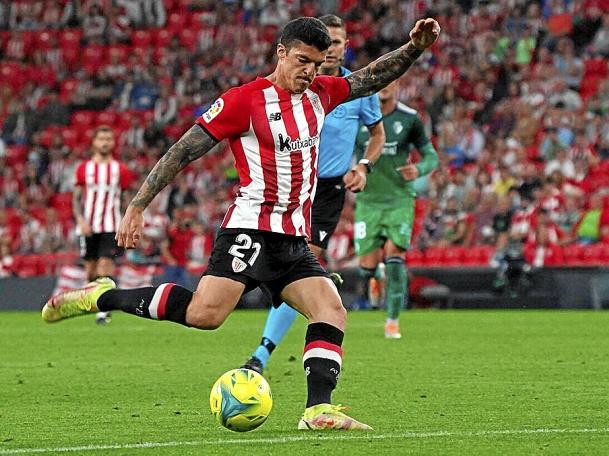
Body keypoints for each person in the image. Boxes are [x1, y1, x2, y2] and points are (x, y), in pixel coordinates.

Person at [41, 16, 441, 431]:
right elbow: (183, 151)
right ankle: (103, 296)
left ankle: (318, 410)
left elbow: (372, 77)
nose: (310, 71)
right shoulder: (243, 101)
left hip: (292, 238)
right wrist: (138, 205)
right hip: (249, 229)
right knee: (206, 315)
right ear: (281, 53)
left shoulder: (323, 93)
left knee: (331, 309)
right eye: (302, 60)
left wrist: (414, 48)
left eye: (318, 63)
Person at [241, 14, 385, 375]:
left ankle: (262, 353)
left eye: (338, 42)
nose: (333, 48)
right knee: (288, 268)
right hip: (284, 188)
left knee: (303, 262)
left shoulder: (355, 90)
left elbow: (377, 136)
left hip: (325, 192)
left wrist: (363, 165)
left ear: (345, 46)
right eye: (328, 42)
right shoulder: (295, 85)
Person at [353, 79, 439, 339]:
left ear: (399, 85)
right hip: (368, 201)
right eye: (380, 82)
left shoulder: (410, 119)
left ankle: (392, 320)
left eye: (391, 82)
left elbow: (431, 156)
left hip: (399, 199)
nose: (385, 87)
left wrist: (419, 169)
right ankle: (374, 276)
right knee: (365, 267)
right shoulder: (357, 119)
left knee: (395, 258)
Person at [72, 126, 133, 324]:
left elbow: (125, 199)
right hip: (88, 225)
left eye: (108, 138)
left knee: (105, 264)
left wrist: (127, 221)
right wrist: (80, 221)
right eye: (101, 139)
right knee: (90, 270)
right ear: (94, 143)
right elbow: (76, 198)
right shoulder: (84, 169)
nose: (105, 142)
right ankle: (95, 302)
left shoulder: (120, 170)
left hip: (111, 225)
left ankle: (103, 311)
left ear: (113, 143)